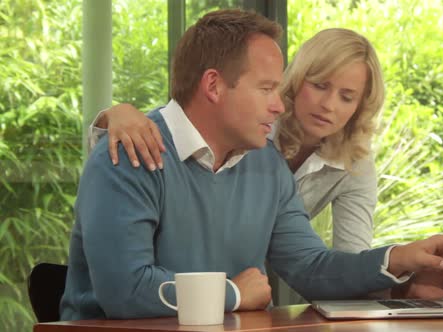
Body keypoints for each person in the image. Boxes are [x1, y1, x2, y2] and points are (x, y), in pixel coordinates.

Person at [61, 8, 443, 321]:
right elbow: (125, 290)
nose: (280, 105)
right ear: (213, 86)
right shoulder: (131, 152)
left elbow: (312, 268)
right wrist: (233, 294)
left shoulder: (265, 165)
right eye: (266, 88)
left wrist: (401, 258)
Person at [90, 28, 383, 254]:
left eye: (347, 97)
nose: (329, 105)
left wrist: (401, 271)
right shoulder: (252, 125)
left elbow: (349, 260)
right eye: (320, 86)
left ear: (361, 105)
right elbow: (174, 127)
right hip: (174, 272)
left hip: (254, 283)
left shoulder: (354, 163)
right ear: (297, 79)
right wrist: (113, 114)